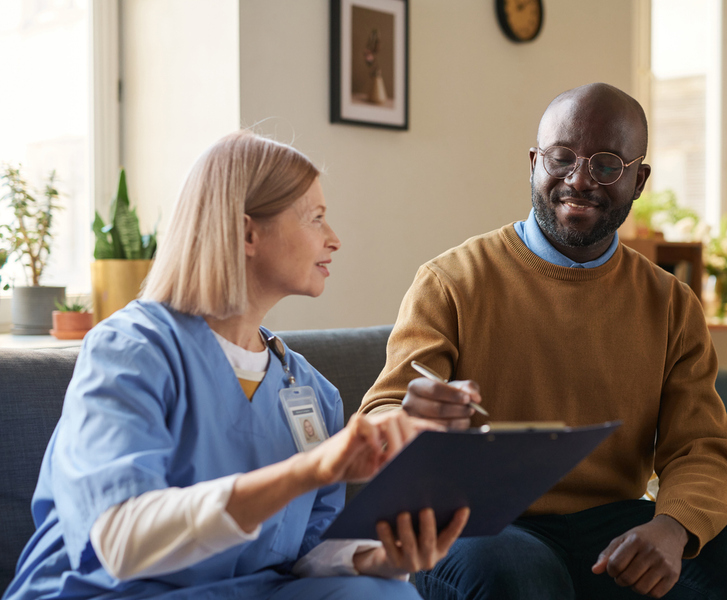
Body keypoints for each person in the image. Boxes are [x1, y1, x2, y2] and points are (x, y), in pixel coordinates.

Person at [360, 83, 727, 599]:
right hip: (482, 523)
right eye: (561, 157)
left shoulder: (670, 302)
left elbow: (701, 446)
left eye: (607, 164)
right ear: (533, 163)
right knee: (517, 572)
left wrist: (672, 529)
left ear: (638, 180)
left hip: (613, 523)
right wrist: (408, 420)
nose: (579, 179)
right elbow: (380, 414)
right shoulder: (451, 281)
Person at [3, 131, 468, 600]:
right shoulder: (130, 351)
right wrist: (307, 471)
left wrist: (381, 559)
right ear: (248, 233)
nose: (335, 239)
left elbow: (306, 549)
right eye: (317, 219)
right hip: (115, 591)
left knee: (387, 595)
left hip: (246, 589)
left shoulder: (309, 388)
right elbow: (121, 540)